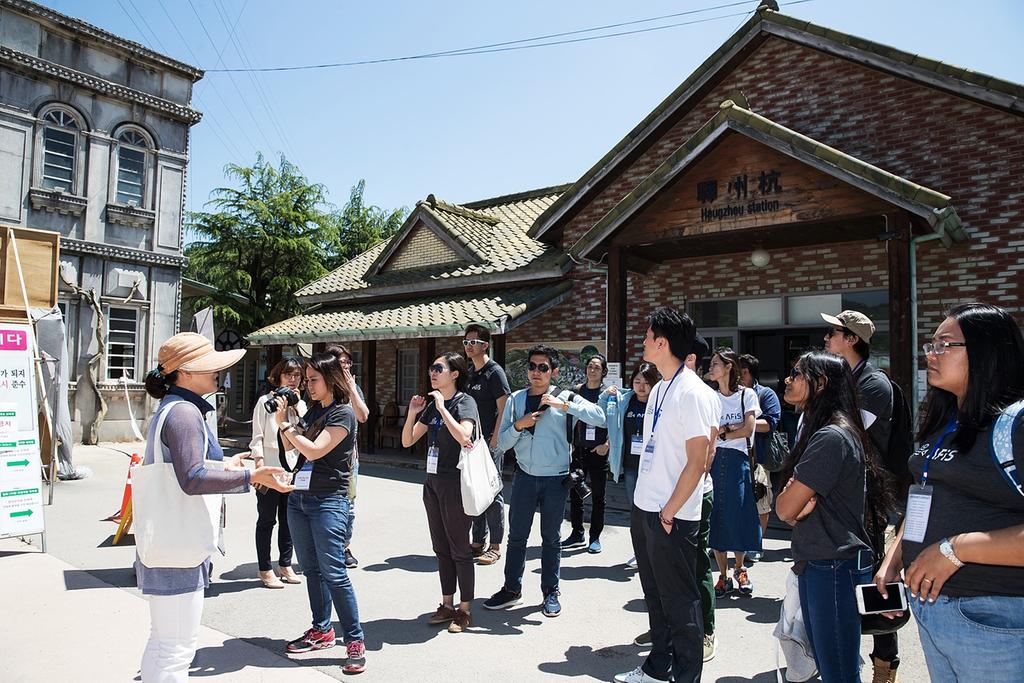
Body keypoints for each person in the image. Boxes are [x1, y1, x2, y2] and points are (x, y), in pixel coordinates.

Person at [874, 303, 1024, 682]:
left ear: (987, 351)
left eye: (945, 345)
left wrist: (954, 549)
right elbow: (930, 494)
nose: (931, 354)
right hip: (936, 609)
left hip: (994, 615)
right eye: (931, 345)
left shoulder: (1015, 425)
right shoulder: (948, 420)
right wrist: (895, 556)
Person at [138, 333, 291, 682]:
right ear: (186, 372)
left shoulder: (172, 409)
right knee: (177, 648)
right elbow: (191, 477)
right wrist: (252, 476)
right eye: (210, 368)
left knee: (163, 642)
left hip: (165, 543)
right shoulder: (186, 413)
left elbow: (185, 469)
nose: (217, 374)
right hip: (179, 546)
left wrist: (227, 467)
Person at [615, 308, 719, 683]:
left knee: (680, 600)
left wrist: (670, 510)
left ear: (662, 343)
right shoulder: (659, 387)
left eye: (646, 336)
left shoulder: (694, 393)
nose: (642, 342)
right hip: (646, 506)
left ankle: (687, 675)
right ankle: (658, 667)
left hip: (671, 514)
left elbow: (698, 462)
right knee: (656, 596)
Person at [776, 351, 893, 683]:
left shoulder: (831, 436)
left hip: (833, 565)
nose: (788, 379)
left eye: (797, 374)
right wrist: (796, 502)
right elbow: (793, 507)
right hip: (823, 561)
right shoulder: (830, 430)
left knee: (838, 672)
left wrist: (795, 501)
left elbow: (786, 508)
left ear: (821, 383)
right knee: (832, 667)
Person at [483, 344, 605, 618]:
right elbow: (501, 443)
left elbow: (600, 417)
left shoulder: (565, 396)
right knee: (517, 538)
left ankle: (551, 591)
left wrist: (567, 405)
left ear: (554, 371)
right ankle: (511, 589)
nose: (536, 372)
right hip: (525, 477)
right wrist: (518, 425)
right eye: (532, 367)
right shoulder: (515, 399)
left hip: (556, 479)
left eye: (543, 367)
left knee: (551, 539)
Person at [821, 309, 901, 682]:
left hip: (870, 496)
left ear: (852, 339)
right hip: (844, 494)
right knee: (846, 580)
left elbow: (849, 433)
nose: (826, 339)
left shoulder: (873, 384)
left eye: (833, 332)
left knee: (875, 582)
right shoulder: (843, 379)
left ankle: (885, 664)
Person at [277, 353, 366, 675]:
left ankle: (354, 640)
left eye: (313, 379)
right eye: (306, 379)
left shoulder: (342, 414)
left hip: (329, 500)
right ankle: (322, 630)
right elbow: (292, 449)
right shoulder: (315, 410)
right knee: (312, 571)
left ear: (331, 379)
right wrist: (285, 419)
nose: (307, 384)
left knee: (335, 574)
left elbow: (314, 450)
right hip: (299, 499)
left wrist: (287, 425)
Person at [401, 351, 480, 633]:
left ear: (455, 374)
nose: (432, 373)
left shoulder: (465, 402)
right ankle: (447, 604)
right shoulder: (433, 404)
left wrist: (443, 408)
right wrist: (412, 413)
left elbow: (464, 436)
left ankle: (465, 609)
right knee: (440, 547)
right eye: (431, 368)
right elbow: (408, 440)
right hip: (432, 482)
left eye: (439, 369)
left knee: (460, 548)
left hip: (455, 483)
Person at [707, 348, 762, 597]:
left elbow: (748, 428)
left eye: (716, 363)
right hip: (714, 460)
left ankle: (740, 569)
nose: (711, 367)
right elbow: (709, 431)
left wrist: (725, 431)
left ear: (729, 367)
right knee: (717, 516)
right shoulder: (709, 396)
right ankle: (723, 575)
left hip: (738, 461)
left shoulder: (746, 395)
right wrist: (731, 429)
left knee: (738, 515)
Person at [249, 357, 307, 588]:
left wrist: (297, 405)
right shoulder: (266, 401)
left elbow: (304, 430)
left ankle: (285, 564)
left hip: (291, 468)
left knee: (289, 520)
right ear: (278, 377)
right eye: (288, 375)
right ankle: (265, 568)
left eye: (297, 376)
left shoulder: (300, 403)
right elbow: (257, 436)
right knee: (266, 520)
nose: (292, 380)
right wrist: (259, 466)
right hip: (270, 466)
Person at [601, 362, 661, 567]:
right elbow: (601, 414)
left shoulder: (660, 403)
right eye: (637, 381)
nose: (641, 386)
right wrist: (605, 394)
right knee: (636, 512)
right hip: (631, 466)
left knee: (656, 509)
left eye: (646, 382)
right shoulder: (624, 400)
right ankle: (641, 553)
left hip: (656, 465)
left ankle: (658, 552)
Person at [463, 324, 512, 566]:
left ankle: (495, 545)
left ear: (485, 345)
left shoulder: (495, 372)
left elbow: (504, 407)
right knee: (474, 491)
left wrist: (495, 438)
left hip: (490, 441)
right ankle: (477, 541)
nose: (469, 346)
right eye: (466, 342)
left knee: (492, 492)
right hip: (471, 443)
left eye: (473, 342)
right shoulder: (471, 372)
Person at [324, 344, 370, 570]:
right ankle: (326, 546)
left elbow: (363, 416)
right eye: (341, 362)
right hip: (322, 456)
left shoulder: (354, 388)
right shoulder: (321, 386)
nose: (346, 366)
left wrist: (351, 389)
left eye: (348, 362)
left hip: (350, 460)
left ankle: (343, 547)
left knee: (348, 505)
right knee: (323, 503)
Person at [563, 354, 612, 554]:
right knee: (575, 493)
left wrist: (607, 444)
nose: (592, 370)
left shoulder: (607, 393)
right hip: (579, 449)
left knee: (598, 496)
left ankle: (595, 537)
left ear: (603, 372)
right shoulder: (576, 391)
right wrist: (569, 442)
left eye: (597, 368)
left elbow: (614, 422)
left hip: (599, 451)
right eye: (590, 366)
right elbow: (567, 418)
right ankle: (577, 533)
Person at [739, 353, 782, 561]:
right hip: (733, 456)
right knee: (734, 502)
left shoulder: (766, 394)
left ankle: (756, 543)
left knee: (761, 502)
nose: (739, 376)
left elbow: (771, 423)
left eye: (743, 372)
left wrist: (743, 426)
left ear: (750, 374)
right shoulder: (728, 394)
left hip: (758, 458)